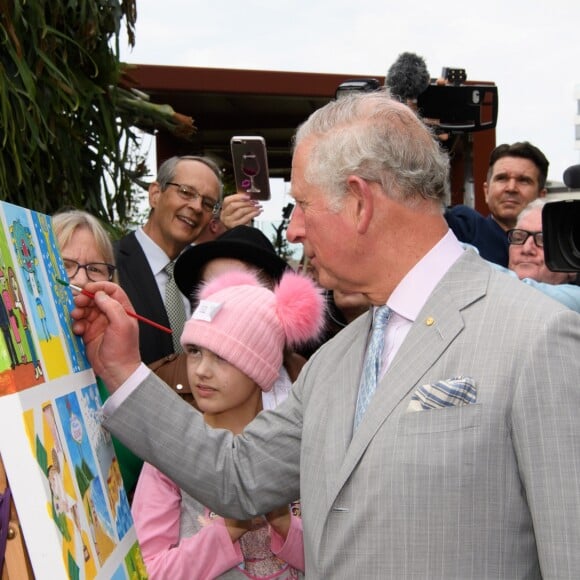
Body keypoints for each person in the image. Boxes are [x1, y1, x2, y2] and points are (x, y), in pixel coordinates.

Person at [72, 91, 580, 578]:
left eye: (301, 205)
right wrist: (121, 369)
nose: (291, 230)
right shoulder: (334, 360)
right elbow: (238, 475)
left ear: (359, 202)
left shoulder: (536, 337)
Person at [132, 269, 324, 578]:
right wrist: (226, 532)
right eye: (194, 352)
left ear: (260, 365)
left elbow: (339, 557)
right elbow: (145, 570)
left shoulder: (292, 447)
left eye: (223, 356)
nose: (201, 371)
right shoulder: (171, 449)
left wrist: (287, 528)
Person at [52, 209, 143, 497]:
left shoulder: (116, 364)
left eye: (94, 268)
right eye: (64, 264)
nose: (80, 278)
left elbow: (136, 464)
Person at [114, 155, 223, 364]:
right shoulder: (110, 265)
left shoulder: (206, 275)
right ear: (155, 194)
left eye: (208, 203)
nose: (197, 207)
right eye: (186, 192)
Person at [445, 141, 549, 266]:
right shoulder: (462, 228)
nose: (511, 188)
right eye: (502, 178)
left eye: (523, 180)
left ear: (541, 196)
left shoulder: (556, 246)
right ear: (486, 191)